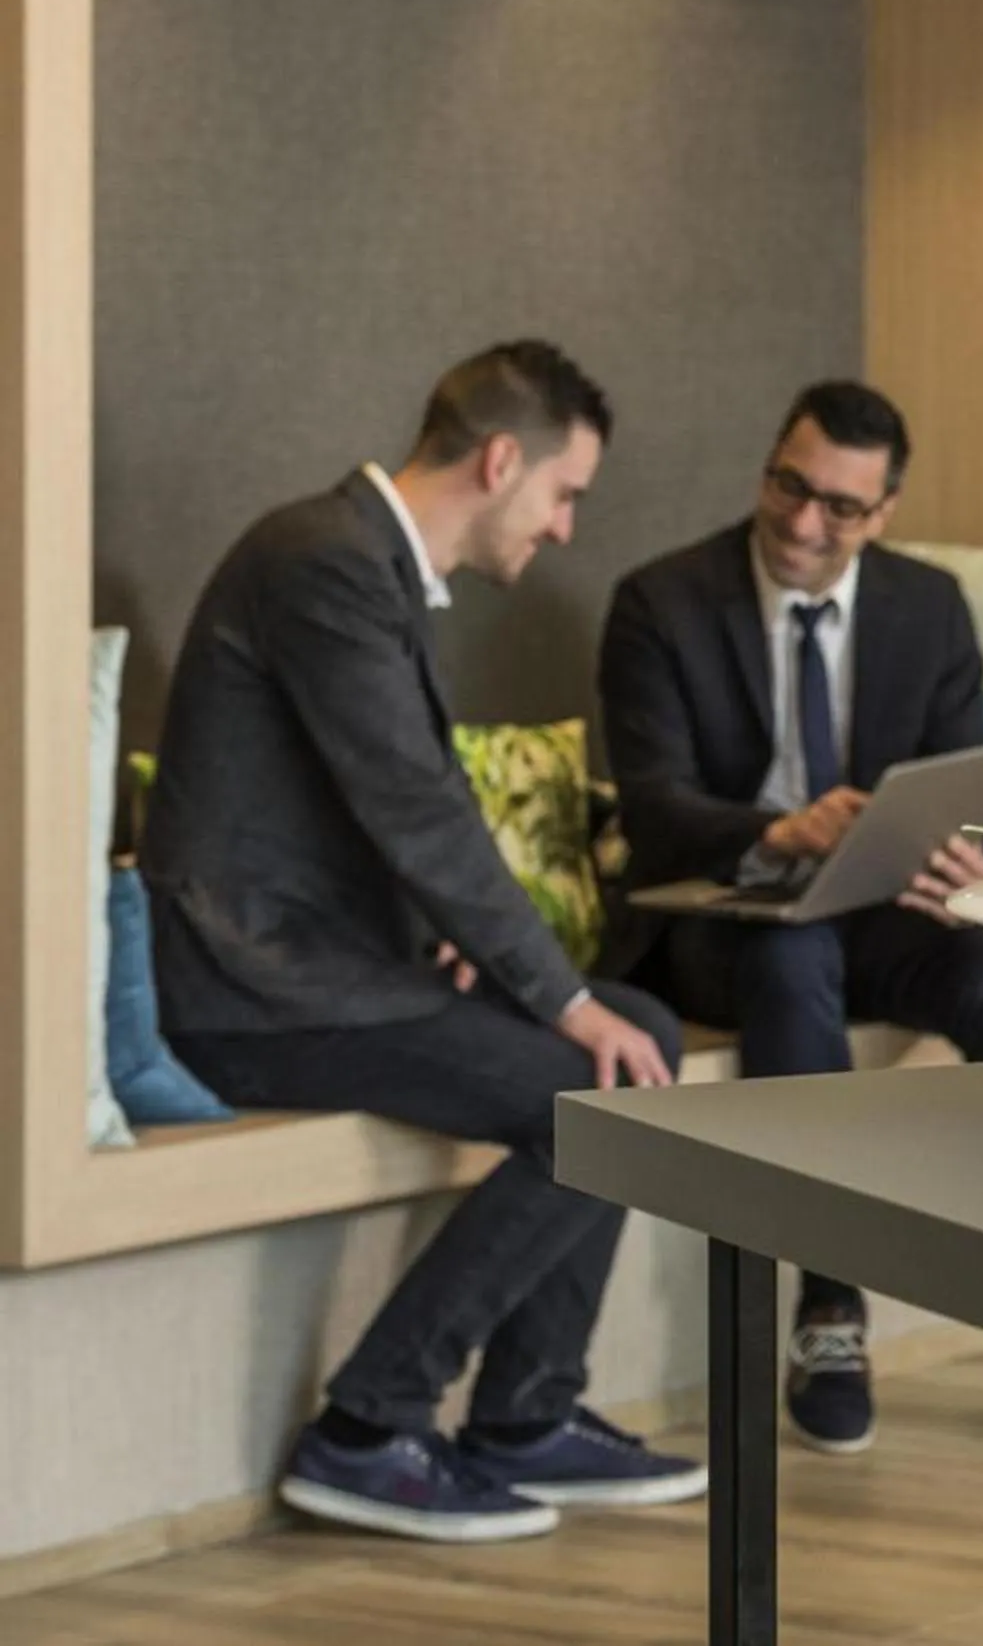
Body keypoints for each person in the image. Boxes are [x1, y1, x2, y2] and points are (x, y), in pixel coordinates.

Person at [149, 340, 704, 1542]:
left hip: (338, 969)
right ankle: (367, 1428)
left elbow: (364, 810)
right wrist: (557, 996)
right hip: (257, 995)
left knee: (644, 1038)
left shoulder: (359, 567)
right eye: (564, 494)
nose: (562, 529)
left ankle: (525, 1416)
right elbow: (414, 809)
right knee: (597, 1091)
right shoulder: (322, 564)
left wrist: (451, 945)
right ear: (503, 460)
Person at [598, 379, 983, 1452]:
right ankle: (829, 1311)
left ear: (883, 510)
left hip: (880, 904)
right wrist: (781, 831)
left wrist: (955, 856)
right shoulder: (659, 599)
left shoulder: (927, 605)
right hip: (720, 914)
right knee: (792, 969)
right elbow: (653, 810)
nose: (804, 523)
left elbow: (952, 777)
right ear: (770, 466)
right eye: (789, 487)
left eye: (839, 508)